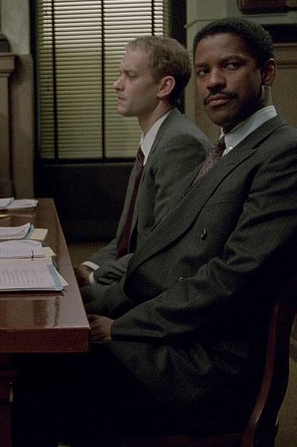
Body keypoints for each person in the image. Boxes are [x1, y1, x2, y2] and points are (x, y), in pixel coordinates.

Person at [0, 18, 297, 446]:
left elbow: (235, 281)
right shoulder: (225, 150)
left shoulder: (295, 153)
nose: (214, 81)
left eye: (231, 66)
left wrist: (121, 326)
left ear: (267, 72)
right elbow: (160, 255)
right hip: (177, 339)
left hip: (205, 370)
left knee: (43, 365)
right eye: (203, 71)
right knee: (39, 346)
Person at [74, 36, 211, 290]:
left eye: (130, 76)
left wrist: (91, 281)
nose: (117, 85)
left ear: (164, 86)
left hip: (151, 291)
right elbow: (126, 241)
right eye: (120, 74)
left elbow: (160, 250)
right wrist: (87, 268)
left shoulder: (180, 145)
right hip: (131, 276)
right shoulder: (157, 138)